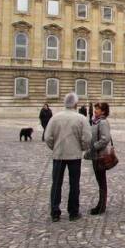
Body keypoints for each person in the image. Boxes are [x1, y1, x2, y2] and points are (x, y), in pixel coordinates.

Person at [45, 92, 91, 222]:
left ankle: (55, 212)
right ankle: (73, 212)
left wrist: (55, 147)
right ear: (76, 104)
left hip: (58, 155)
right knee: (74, 184)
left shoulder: (55, 118)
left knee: (56, 184)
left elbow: (48, 137)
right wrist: (81, 148)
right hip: (74, 156)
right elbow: (87, 138)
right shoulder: (81, 118)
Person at [84, 102, 112, 215]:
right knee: (100, 181)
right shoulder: (96, 121)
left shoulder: (103, 122)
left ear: (103, 111)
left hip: (100, 156)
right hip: (96, 155)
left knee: (102, 181)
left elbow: (105, 139)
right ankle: (101, 204)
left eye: (97, 109)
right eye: (95, 108)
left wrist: (93, 147)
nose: (95, 110)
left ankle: (102, 206)